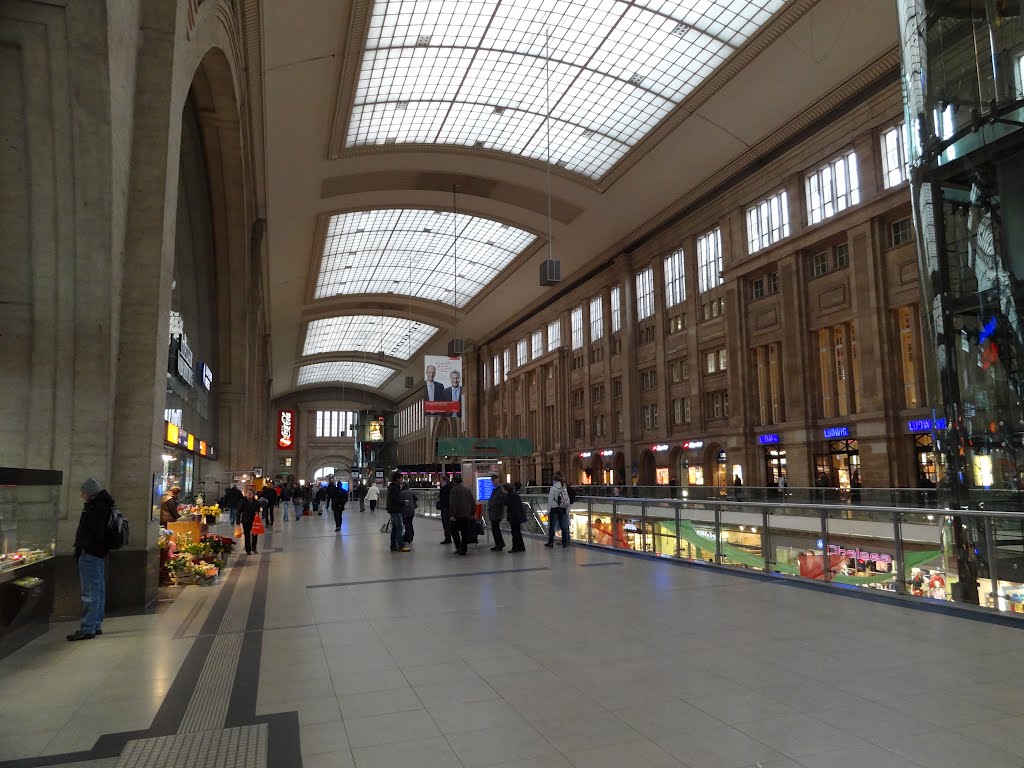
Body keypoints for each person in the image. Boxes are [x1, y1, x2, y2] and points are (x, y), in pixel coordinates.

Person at [68, 478, 115, 641]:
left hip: (91, 553)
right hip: (99, 552)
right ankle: (95, 624)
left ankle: (88, 627)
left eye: (83, 492)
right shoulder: (105, 504)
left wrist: (84, 548)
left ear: (89, 492)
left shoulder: (95, 507)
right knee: (98, 588)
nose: (82, 496)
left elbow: (94, 531)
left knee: (90, 590)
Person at [449, 474, 475, 556]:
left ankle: (458, 547)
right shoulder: (467, 489)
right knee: (464, 533)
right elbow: (472, 501)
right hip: (466, 515)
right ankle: (464, 549)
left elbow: (453, 503)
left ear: (454, 482)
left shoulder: (454, 490)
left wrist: (452, 515)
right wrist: (472, 513)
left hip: (458, 515)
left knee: (454, 531)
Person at [546, 472, 571, 548]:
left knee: (552, 526)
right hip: (562, 509)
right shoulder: (563, 487)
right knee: (564, 526)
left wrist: (548, 511)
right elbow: (567, 499)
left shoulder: (553, 488)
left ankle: (550, 542)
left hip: (554, 509)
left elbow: (550, 500)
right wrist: (567, 509)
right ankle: (565, 542)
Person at [386, 473, 408, 551]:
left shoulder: (393, 487)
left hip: (393, 509)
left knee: (395, 528)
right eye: (401, 478)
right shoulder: (394, 488)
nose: (402, 480)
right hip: (395, 510)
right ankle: (401, 545)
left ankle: (393, 545)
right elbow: (395, 500)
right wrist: (403, 502)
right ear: (397, 479)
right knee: (399, 527)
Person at [487, 473, 507, 551]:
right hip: (494, 512)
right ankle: (500, 543)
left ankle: (499, 545)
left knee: (495, 529)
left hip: (496, 512)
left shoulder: (500, 489)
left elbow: (500, 500)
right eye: (492, 480)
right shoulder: (495, 488)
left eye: (493, 480)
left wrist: (493, 504)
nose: (492, 482)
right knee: (495, 529)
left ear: (498, 480)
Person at [505, 482, 526, 553]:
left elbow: (512, 506)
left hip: (514, 516)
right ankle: (521, 546)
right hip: (516, 516)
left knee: (515, 532)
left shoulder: (512, 496)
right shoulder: (513, 495)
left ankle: (515, 547)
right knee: (517, 532)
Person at [239, 487, 261, 555]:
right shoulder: (243, 501)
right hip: (245, 521)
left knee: (255, 535)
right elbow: (239, 511)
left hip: (254, 520)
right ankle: (248, 550)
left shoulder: (256, 502)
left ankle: (254, 548)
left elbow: (258, 509)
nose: (249, 495)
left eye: (251, 493)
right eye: (248, 493)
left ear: (253, 494)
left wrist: (257, 512)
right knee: (247, 535)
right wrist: (237, 521)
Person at [400, 481, 418, 546]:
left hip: (404, 511)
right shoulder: (411, 491)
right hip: (411, 510)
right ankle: (411, 535)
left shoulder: (401, 492)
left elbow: (400, 501)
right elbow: (416, 498)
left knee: (406, 524)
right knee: (410, 523)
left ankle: (408, 537)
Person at [438, 476, 453, 544]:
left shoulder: (446, 488)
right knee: (446, 523)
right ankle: (447, 537)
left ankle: (448, 537)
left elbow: (445, 498)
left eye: (441, 480)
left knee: (446, 523)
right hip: (446, 507)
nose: (440, 482)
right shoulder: (446, 488)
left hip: (446, 508)